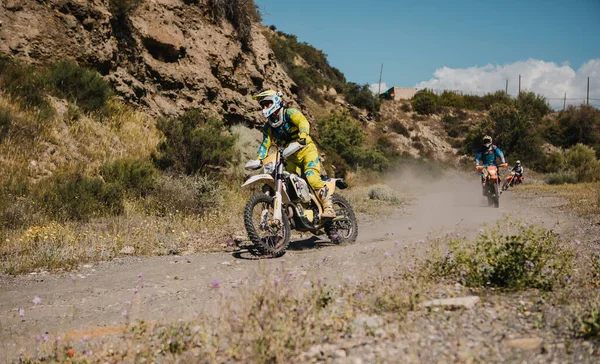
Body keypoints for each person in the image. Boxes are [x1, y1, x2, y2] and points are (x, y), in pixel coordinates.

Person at [252, 90, 335, 218]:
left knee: (311, 177)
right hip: (289, 155)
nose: (264, 107)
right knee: (289, 184)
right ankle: (300, 210)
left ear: (275, 101)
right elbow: (265, 143)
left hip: (306, 149)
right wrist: (260, 159)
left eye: (267, 103)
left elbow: (303, 122)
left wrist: (302, 137)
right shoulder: (268, 127)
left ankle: (328, 208)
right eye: (262, 105)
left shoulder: (289, 113)